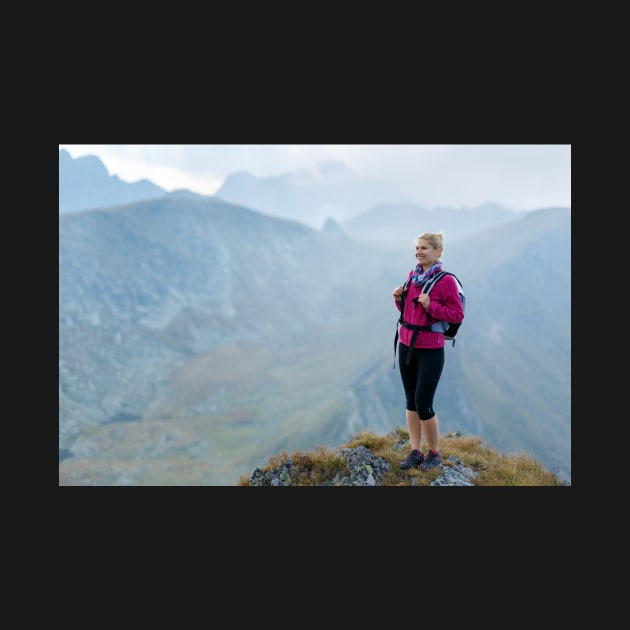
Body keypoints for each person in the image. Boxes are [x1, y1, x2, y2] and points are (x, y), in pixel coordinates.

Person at [392, 231, 464, 471]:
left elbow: (457, 314)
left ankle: (434, 453)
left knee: (424, 403)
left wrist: (431, 305)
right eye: (417, 248)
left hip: (431, 350)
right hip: (406, 346)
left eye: (424, 248)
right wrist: (398, 300)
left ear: (437, 251)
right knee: (410, 401)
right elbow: (410, 314)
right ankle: (415, 451)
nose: (419, 252)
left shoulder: (446, 281)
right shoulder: (413, 276)